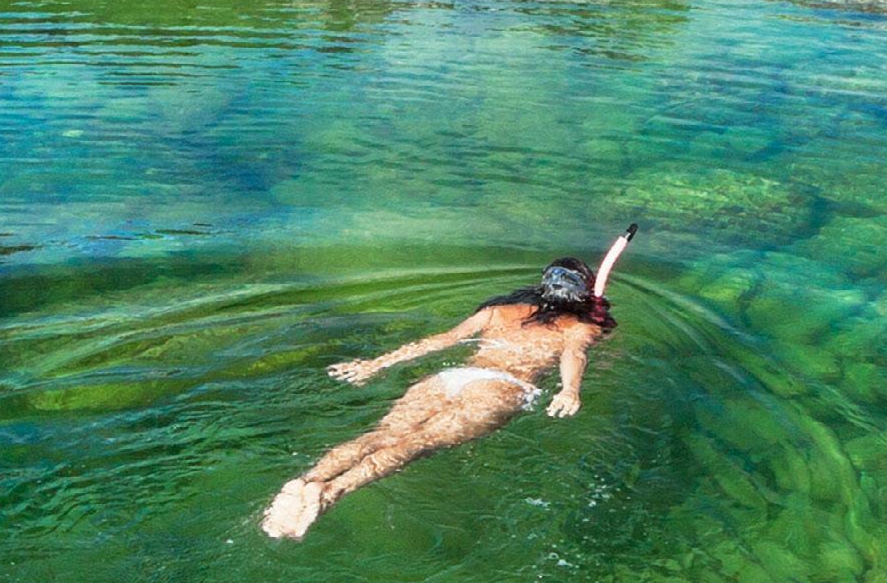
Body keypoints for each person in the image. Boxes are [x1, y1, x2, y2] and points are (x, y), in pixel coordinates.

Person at [261, 226, 634, 540]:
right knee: (415, 444)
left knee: (380, 434)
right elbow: (575, 355)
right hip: (502, 386)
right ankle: (331, 493)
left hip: (451, 378)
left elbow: (441, 341)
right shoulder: (581, 327)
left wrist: (377, 363)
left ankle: (308, 479)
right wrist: (570, 389)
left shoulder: (496, 312)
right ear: (583, 293)